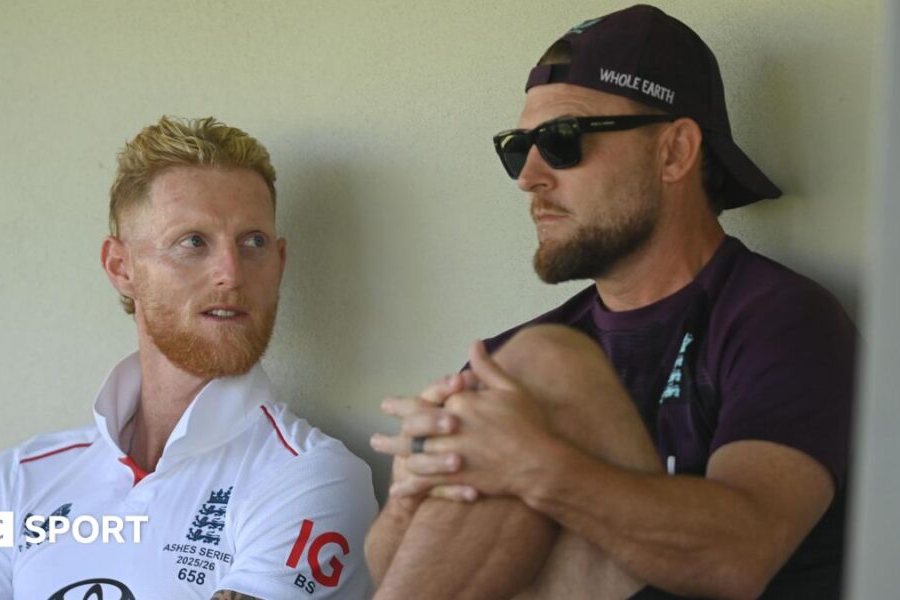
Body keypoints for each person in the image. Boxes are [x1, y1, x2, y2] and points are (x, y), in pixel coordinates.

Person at [366, 5, 855, 600]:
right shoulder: (505, 358)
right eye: (519, 148)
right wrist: (409, 495)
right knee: (522, 369)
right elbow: (398, 574)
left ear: (674, 152)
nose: (530, 177)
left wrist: (537, 467)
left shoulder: (781, 319)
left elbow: (740, 556)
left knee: (546, 363)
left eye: (563, 140)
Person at [0, 116, 377, 600]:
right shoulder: (12, 479)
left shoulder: (315, 479)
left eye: (254, 242)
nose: (231, 273)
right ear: (121, 267)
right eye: (193, 242)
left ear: (280, 262)